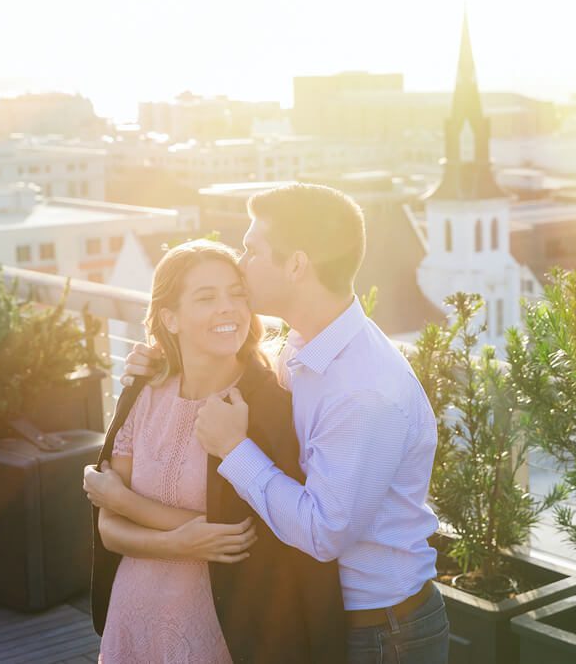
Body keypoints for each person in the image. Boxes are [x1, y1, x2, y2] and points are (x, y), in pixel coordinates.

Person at [122, 184, 449, 664]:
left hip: (382, 633)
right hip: (326, 615)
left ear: (296, 265)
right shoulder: (304, 346)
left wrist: (234, 450)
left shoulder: (363, 389)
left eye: (252, 250)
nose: (241, 261)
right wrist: (167, 359)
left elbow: (322, 532)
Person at [86, 239, 344, 663]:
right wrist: (181, 541)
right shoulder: (142, 392)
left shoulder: (264, 405)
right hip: (133, 614)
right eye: (206, 297)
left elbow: (245, 534)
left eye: (237, 294)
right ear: (170, 318)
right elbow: (108, 531)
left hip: (219, 627)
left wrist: (122, 500)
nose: (228, 308)